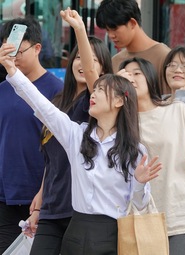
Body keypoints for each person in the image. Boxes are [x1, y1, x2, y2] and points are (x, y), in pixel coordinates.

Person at [0, 41, 162, 255]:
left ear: (119, 102)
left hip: (113, 234)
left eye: (101, 90)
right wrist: (12, 70)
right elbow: (41, 105)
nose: (93, 95)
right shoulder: (76, 135)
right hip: (76, 230)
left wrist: (140, 182)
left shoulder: (135, 150)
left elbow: (140, 205)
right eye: (94, 90)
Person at [118, 57, 185, 255]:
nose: (131, 78)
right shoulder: (122, 123)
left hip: (184, 212)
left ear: (150, 78)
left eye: (136, 73)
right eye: (126, 75)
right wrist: (115, 85)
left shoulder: (178, 109)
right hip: (145, 215)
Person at [25, 34, 113, 254]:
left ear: (102, 69)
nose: (83, 64)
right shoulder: (58, 101)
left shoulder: (95, 105)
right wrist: (41, 197)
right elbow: (52, 158)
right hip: (52, 207)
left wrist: (78, 28)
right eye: (79, 58)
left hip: (81, 211)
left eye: (92, 60)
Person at [0, 17, 63, 253]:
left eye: (18, 50)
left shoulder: (57, 90)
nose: (12, 55)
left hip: (42, 196)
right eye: (7, 48)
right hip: (5, 195)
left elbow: (60, 149)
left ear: (37, 48)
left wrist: (45, 191)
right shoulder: (3, 88)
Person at [96, 0, 171, 95]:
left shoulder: (164, 56)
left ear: (132, 23)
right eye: (107, 30)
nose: (111, 35)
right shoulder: (115, 61)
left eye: (114, 29)